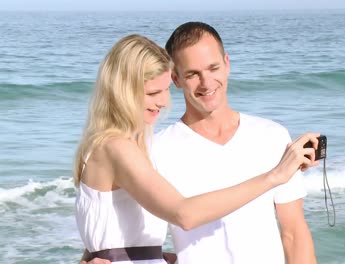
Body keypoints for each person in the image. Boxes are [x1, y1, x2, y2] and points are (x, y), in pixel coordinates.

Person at [75, 34, 320, 264]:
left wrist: (158, 257)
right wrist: (276, 175)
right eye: (152, 93)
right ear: (122, 91)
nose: (162, 102)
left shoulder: (132, 147)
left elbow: (106, 238)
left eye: (164, 91)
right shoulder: (120, 147)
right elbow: (185, 215)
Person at [150, 22, 318, 263]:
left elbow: (294, 232)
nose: (206, 83)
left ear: (227, 64)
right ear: (175, 79)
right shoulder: (158, 150)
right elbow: (137, 234)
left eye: (213, 68)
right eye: (192, 74)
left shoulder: (271, 135)